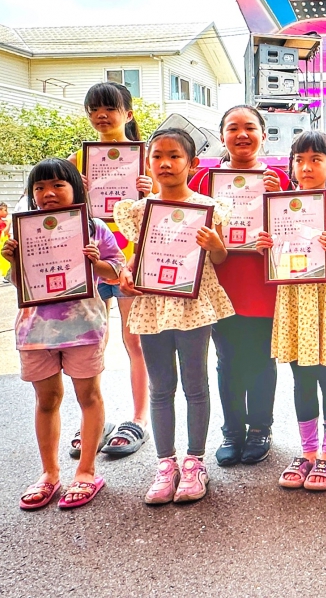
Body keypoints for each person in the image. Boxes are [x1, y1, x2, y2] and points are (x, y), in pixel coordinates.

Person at [115, 128, 234, 504]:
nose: (165, 163)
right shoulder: (139, 210)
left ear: (192, 163)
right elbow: (136, 256)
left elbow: (219, 258)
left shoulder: (208, 207)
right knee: (161, 387)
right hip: (153, 303)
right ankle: (165, 464)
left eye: (174, 156)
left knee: (196, 384)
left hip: (193, 304)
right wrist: (127, 273)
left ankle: (195, 462)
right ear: (148, 162)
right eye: (157, 156)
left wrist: (216, 244)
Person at [4, 159, 124, 510]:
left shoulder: (94, 228)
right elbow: (20, 284)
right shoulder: (24, 229)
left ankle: (86, 472)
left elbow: (116, 271)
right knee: (46, 400)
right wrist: (13, 259)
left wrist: (96, 263)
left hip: (83, 328)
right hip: (36, 331)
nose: (48, 193)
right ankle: (50, 473)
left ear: (76, 188)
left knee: (89, 396)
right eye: (39, 187)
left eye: (58, 185)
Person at [189, 106, 290, 467]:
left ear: (263, 135)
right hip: (220, 284)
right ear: (222, 136)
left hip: (264, 283)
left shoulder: (279, 178)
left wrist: (280, 199)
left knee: (262, 358)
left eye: (250, 127)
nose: (242, 134)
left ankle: (261, 428)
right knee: (227, 360)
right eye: (233, 128)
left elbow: (298, 232)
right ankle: (232, 431)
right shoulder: (205, 180)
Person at [268, 131, 326, 492]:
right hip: (293, 303)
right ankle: (307, 452)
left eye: (316, 160)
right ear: (291, 164)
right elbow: (274, 256)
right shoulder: (279, 206)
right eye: (299, 160)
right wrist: (265, 246)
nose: (306, 167)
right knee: (301, 379)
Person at [68, 82, 152, 458]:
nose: (101, 115)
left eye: (109, 108)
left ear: (127, 114)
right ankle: (94, 419)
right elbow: (55, 209)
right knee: (93, 343)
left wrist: (150, 189)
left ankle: (139, 418)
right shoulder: (77, 160)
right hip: (91, 261)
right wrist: (76, 191)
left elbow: (170, 206)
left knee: (135, 341)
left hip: (133, 260)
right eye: (94, 109)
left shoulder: (147, 158)